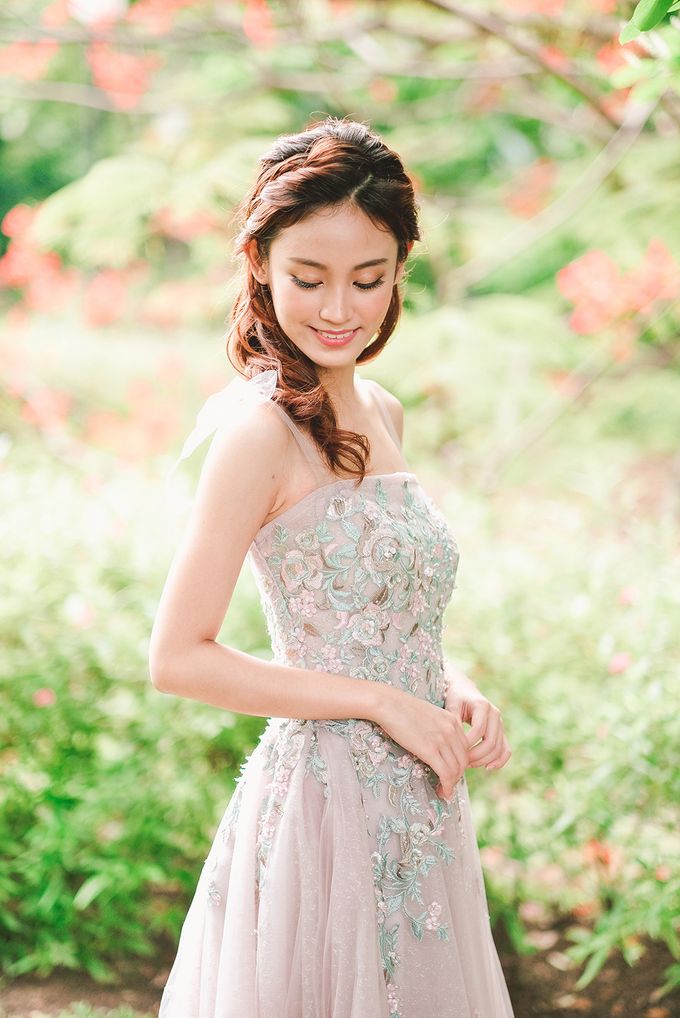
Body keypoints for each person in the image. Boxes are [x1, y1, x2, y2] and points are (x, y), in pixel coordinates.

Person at [150, 116, 515, 1018]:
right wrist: (382, 701)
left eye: (369, 279)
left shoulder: (384, 409)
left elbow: (383, 614)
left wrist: (448, 684)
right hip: (323, 810)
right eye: (309, 278)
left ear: (400, 272)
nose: (339, 309)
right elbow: (178, 657)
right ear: (260, 263)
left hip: (419, 802)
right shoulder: (258, 433)